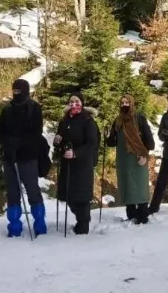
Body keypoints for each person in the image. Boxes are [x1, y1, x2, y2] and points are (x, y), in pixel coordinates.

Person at [0, 79, 47, 238]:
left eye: (19, 91)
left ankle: (39, 225)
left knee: (32, 190)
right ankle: (14, 227)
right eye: (14, 91)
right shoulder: (8, 109)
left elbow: (36, 133)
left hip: (28, 156)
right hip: (9, 157)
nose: (16, 93)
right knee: (12, 192)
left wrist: (20, 144)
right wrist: (8, 143)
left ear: (26, 91)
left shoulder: (34, 108)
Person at [54, 93, 101, 234]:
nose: (74, 103)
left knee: (81, 196)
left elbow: (92, 143)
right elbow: (60, 140)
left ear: (82, 103)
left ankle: (83, 224)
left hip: (82, 163)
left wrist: (76, 153)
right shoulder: (64, 120)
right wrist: (57, 141)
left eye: (77, 101)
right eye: (71, 101)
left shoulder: (88, 120)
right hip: (67, 164)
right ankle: (82, 218)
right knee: (68, 195)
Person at [106, 95, 155, 224]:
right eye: (122, 102)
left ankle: (143, 216)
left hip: (138, 158)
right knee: (127, 186)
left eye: (127, 102)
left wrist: (145, 156)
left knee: (139, 187)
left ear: (132, 103)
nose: (124, 105)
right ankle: (132, 216)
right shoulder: (118, 121)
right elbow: (112, 142)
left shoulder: (140, 119)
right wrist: (107, 136)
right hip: (123, 159)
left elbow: (150, 142)